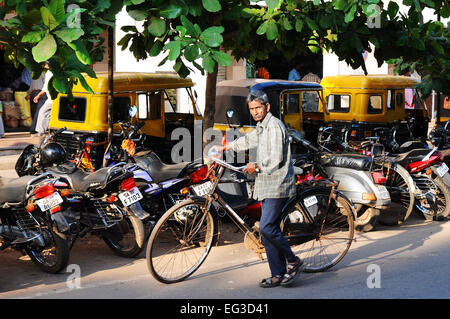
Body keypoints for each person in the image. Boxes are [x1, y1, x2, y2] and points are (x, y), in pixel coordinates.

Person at [212, 90, 302, 288]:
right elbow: (249, 140)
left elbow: (276, 157)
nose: (255, 112)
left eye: (258, 108)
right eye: (252, 109)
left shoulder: (275, 126)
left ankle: (293, 261)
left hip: (278, 184)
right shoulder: (262, 126)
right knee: (267, 231)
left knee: (267, 227)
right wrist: (225, 148)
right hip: (265, 183)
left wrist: (257, 166)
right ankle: (277, 274)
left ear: (267, 107)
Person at [34, 62, 53, 135]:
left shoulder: (50, 73)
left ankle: (41, 131)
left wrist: (38, 95)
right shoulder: (49, 72)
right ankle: (45, 130)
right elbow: (46, 87)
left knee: (42, 112)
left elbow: (46, 87)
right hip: (52, 99)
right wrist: (38, 95)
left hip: (52, 99)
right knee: (48, 114)